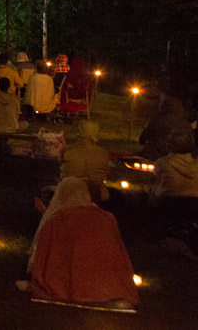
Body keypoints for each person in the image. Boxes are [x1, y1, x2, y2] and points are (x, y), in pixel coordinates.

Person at [25, 177, 138, 308]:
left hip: (73, 281)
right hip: (109, 284)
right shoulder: (107, 218)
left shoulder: (57, 220)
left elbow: (45, 256)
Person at [59, 120, 110, 201]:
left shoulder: (66, 150)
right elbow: (106, 173)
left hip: (69, 191)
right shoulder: (103, 153)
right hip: (94, 193)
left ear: (79, 131)